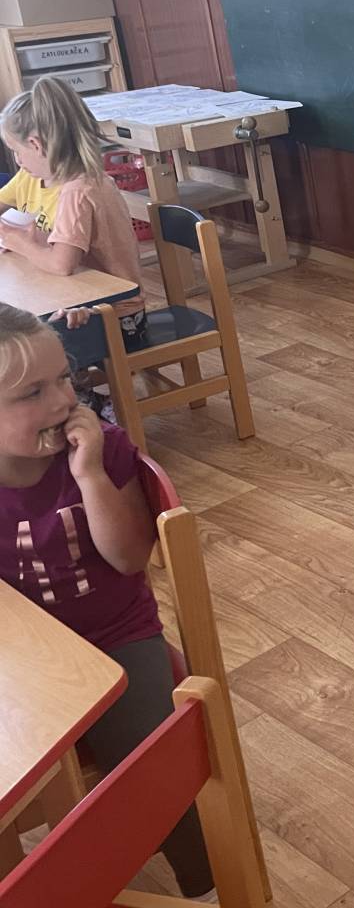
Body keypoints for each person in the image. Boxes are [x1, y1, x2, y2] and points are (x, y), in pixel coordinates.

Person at [0, 303, 211, 896]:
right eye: (32, 392)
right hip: (23, 655)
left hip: (115, 635)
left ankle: (204, 877)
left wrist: (90, 474)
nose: (62, 401)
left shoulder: (104, 447)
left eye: (63, 378)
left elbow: (128, 558)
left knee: (150, 758)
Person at [0, 78, 146, 379]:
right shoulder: (44, 177)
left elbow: (61, 265)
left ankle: (83, 398)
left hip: (113, 317)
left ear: (36, 145)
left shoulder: (78, 191)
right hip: (78, 303)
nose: (17, 160)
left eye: (16, 151)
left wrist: (17, 240)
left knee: (25, 347)